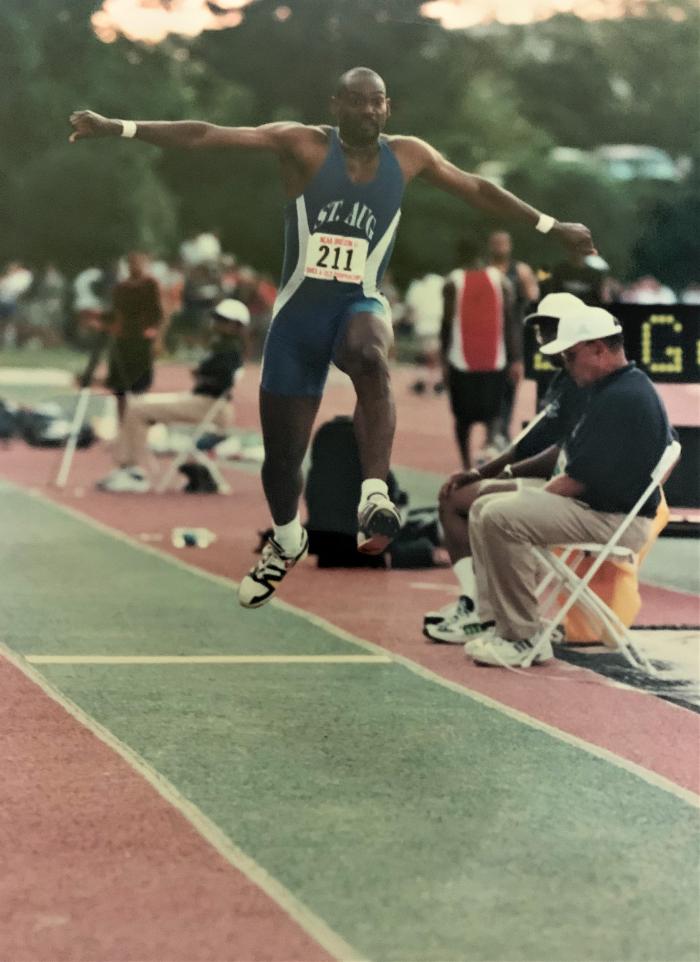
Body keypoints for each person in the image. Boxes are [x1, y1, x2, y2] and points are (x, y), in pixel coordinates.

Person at [68, 66, 595, 608]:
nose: (369, 112)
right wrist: (120, 127)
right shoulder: (302, 145)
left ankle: (372, 493)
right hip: (298, 320)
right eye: (359, 103)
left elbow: (477, 189)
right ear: (337, 104)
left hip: (357, 303)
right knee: (282, 460)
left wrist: (552, 227)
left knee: (370, 354)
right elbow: (206, 135)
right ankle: (286, 536)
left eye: (378, 103)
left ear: (388, 108)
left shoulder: (409, 155)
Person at [457, 304, 672, 668]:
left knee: (499, 515)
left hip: (613, 519)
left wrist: (530, 500)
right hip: (604, 509)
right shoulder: (622, 388)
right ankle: (497, 622)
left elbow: (576, 480)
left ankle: (522, 637)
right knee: (484, 505)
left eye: (571, 356)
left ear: (599, 349)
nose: (567, 366)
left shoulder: (620, 398)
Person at [425, 292, 589, 643]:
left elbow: (556, 452)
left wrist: (498, 474)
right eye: (540, 329)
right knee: (459, 495)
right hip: (551, 480)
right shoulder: (564, 377)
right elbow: (532, 441)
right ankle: (475, 601)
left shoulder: (584, 380)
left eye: (549, 327)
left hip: (565, 490)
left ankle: (483, 611)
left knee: (466, 502)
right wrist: (484, 472)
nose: (542, 337)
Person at [97, 298, 249, 492]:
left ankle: (131, 470)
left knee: (136, 409)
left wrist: (202, 375)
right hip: (204, 402)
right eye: (217, 318)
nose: (217, 324)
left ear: (236, 326)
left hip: (210, 406)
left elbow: (221, 380)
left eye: (223, 320)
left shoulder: (229, 351)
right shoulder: (222, 347)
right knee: (139, 406)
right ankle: (128, 466)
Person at [440, 237, 523, 468]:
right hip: (493, 360)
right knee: (492, 416)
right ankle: (487, 460)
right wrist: (516, 358)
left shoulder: (452, 282)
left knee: (463, 419)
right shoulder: (501, 281)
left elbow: (445, 326)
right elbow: (511, 323)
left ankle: (467, 464)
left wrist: (444, 363)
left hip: (461, 360)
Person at [79, 251, 165, 421]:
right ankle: (122, 424)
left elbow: (158, 314)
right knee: (120, 388)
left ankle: (137, 424)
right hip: (122, 340)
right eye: (132, 263)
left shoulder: (150, 285)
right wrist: (97, 318)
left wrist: (157, 337)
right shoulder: (120, 288)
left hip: (141, 340)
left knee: (139, 387)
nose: (135, 266)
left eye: (139, 262)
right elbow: (115, 314)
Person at [486, 230, 539, 444]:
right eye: (496, 243)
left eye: (503, 243)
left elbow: (533, 297)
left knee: (510, 382)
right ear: (490, 246)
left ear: (510, 246)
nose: (500, 246)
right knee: (489, 384)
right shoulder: (484, 270)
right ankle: (493, 430)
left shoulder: (521, 270)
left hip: (514, 334)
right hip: (488, 335)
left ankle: (503, 429)